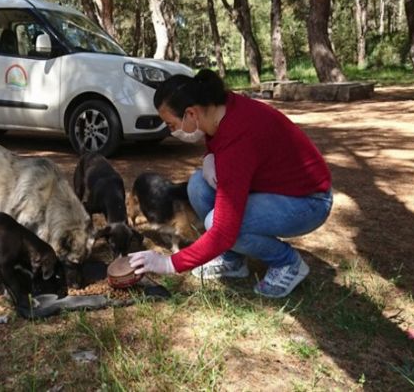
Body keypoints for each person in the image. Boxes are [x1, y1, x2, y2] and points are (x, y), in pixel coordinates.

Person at [129, 70, 332, 298]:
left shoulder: (237, 141)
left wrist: (169, 263)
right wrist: (208, 158)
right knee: (197, 184)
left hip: (308, 201)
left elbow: (224, 231)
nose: (171, 131)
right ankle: (233, 259)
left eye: (171, 124)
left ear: (190, 113)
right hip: (271, 188)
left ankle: (288, 263)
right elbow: (218, 146)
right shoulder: (218, 110)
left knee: (216, 222)